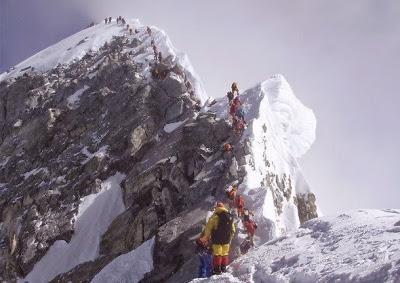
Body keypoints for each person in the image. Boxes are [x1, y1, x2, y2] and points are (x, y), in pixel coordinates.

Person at [199, 202, 235, 275]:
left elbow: (208, 229)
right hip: (227, 239)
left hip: (217, 239)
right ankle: (223, 268)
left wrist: (205, 238)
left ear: (216, 208)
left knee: (217, 254)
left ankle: (217, 270)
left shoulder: (214, 216)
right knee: (225, 253)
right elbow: (233, 229)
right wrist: (230, 237)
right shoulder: (229, 216)